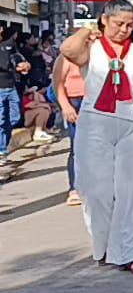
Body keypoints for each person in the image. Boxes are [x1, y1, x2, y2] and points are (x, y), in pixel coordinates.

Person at [60, 0, 133, 274]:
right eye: (118, 24)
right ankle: (105, 245)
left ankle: (131, 252)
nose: (124, 30)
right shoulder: (91, 47)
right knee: (96, 190)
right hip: (96, 122)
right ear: (105, 21)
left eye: (129, 24)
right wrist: (88, 30)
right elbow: (68, 50)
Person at [53, 55, 86, 205]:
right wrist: (66, 106)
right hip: (75, 101)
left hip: (96, 101)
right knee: (77, 147)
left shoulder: (100, 51)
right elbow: (57, 82)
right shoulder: (67, 56)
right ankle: (74, 188)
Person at [0, 25, 32, 164]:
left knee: (14, 117)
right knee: (1, 119)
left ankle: (3, 146)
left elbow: (19, 58)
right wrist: (15, 67)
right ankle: (2, 151)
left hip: (11, 86)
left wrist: (25, 65)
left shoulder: (9, 45)